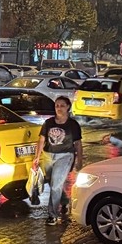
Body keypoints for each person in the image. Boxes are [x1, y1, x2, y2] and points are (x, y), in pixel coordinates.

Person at [32, 95, 84, 226]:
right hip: (48, 155)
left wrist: (79, 161)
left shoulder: (73, 125)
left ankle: (52, 215)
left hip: (65, 156)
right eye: (57, 106)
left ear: (68, 107)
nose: (59, 108)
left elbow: (78, 144)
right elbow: (42, 140)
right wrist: (37, 157)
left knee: (56, 185)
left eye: (62, 106)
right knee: (51, 181)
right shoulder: (49, 122)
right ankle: (64, 200)